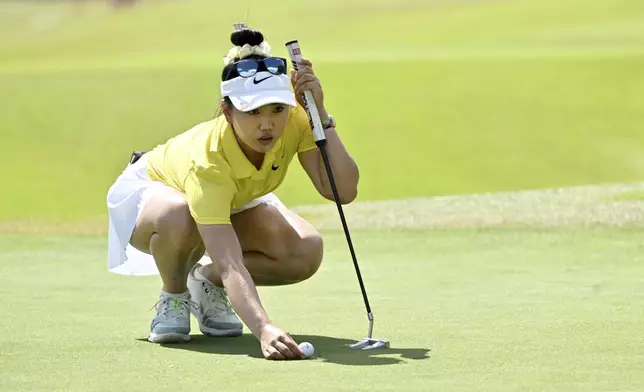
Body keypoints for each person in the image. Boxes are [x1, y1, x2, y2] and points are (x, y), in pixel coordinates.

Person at [105, 25, 359, 360]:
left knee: (304, 251)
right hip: (154, 195)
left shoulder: (297, 121)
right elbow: (230, 262)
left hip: (233, 195)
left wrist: (319, 114)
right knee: (180, 215)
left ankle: (204, 282)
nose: (267, 124)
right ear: (228, 112)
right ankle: (175, 293)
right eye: (253, 112)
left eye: (276, 110)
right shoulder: (207, 161)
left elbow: (341, 190)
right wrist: (263, 327)